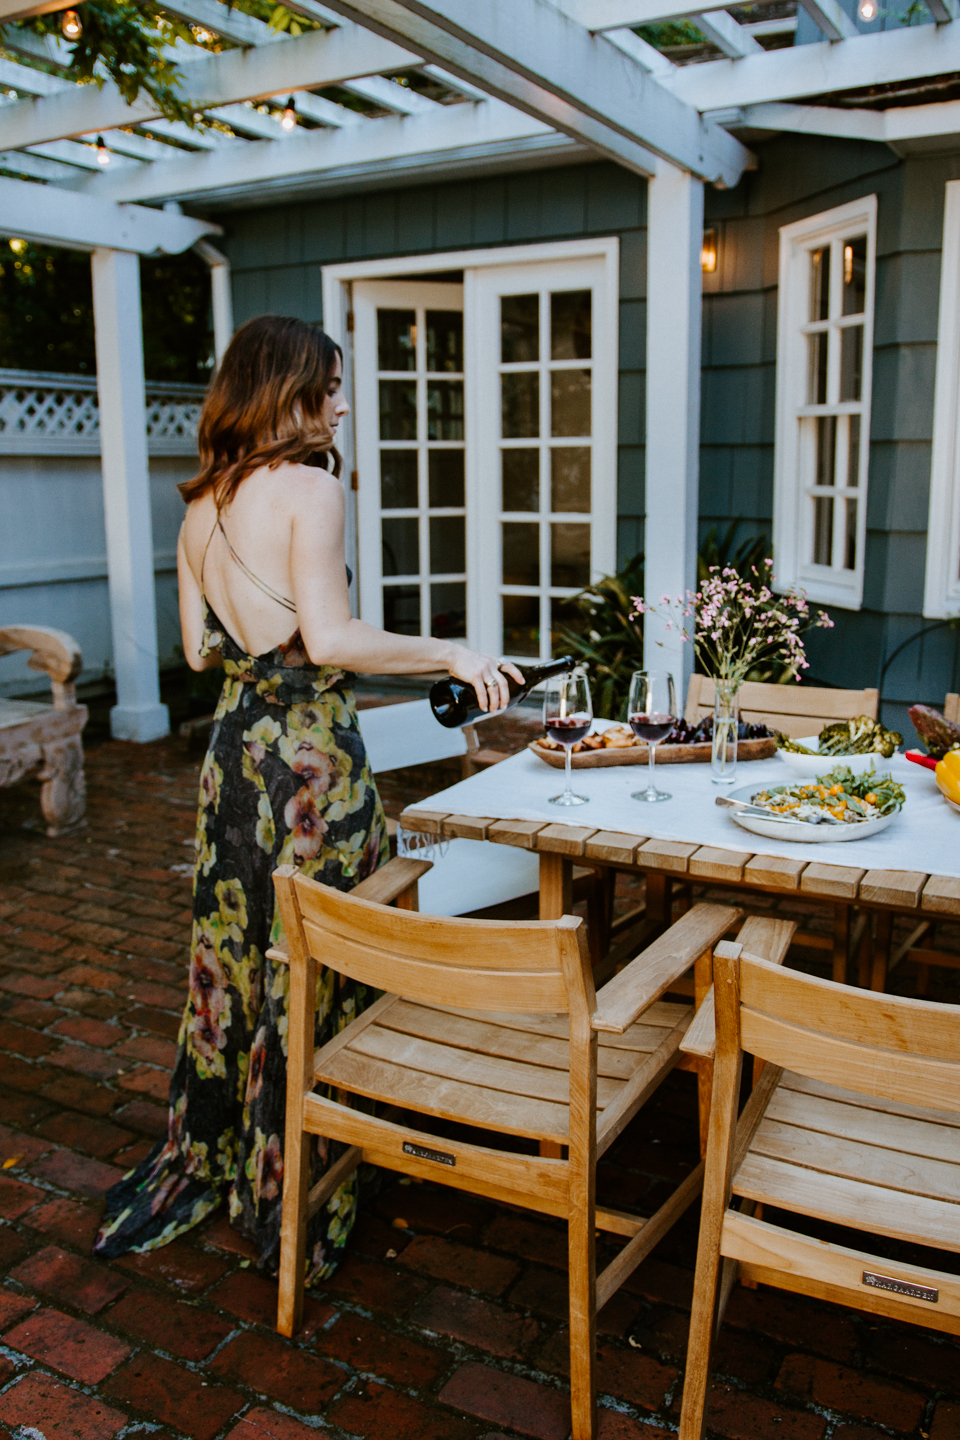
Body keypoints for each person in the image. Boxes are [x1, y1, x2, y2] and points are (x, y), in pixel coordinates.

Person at [95, 315, 522, 1281]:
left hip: (233, 752)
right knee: (321, 952)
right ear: (282, 390)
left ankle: (223, 1152)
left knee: (237, 953)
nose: (341, 405)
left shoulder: (199, 503)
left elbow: (202, 650)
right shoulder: (313, 489)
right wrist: (451, 652)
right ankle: (302, 1171)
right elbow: (329, 641)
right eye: (328, 386)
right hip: (309, 765)